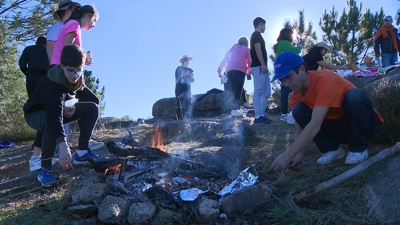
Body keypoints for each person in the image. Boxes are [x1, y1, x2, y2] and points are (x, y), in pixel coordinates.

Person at [269, 52, 384, 172]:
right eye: (282, 80)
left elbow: (315, 125)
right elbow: (300, 129)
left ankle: (359, 148)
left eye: (288, 77)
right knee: (298, 109)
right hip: (342, 129)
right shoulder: (295, 96)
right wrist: (298, 155)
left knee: (354, 96)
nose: (286, 84)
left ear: (302, 70)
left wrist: (287, 156)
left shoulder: (324, 78)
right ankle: (333, 150)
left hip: (366, 124)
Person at [24, 45, 100, 185]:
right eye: (71, 71)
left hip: (55, 110)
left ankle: (82, 152)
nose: (75, 75)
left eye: (79, 70)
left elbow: (93, 100)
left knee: (92, 107)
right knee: (49, 123)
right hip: (34, 114)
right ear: (61, 65)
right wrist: (64, 146)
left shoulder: (76, 78)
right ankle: (45, 170)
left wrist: (68, 106)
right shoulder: (53, 83)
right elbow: (54, 116)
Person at [273, 28, 302, 123]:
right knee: (295, 91)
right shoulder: (285, 43)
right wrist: (299, 47)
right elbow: (295, 52)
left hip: (280, 71)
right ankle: (292, 113)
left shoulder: (279, 45)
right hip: (286, 71)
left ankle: (284, 114)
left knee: (284, 93)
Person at [217, 37, 252, 109]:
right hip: (240, 71)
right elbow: (249, 60)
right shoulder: (246, 49)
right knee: (238, 90)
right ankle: (235, 109)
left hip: (229, 71)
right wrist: (249, 71)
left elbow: (224, 61)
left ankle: (234, 107)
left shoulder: (231, 50)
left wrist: (220, 71)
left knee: (232, 89)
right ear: (247, 43)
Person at [250, 17, 271, 124]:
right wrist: (263, 64)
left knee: (267, 92)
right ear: (261, 24)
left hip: (262, 67)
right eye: (265, 25)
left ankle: (261, 115)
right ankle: (258, 117)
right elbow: (258, 49)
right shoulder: (256, 35)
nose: (265, 28)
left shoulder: (258, 36)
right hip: (258, 66)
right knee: (258, 91)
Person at [175, 55, 194, 120]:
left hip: (187, 87)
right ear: (183, 61)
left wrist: (191, 76)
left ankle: (188, 118)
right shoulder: (179, 68)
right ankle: (178, 118)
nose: (188, 62)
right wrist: (186, 74)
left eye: (189, 61)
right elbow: (178, 77)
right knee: (179, 102)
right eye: (186, 60)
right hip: (180, 87)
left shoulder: (190, 70)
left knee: (188, 102)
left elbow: (192, 80)